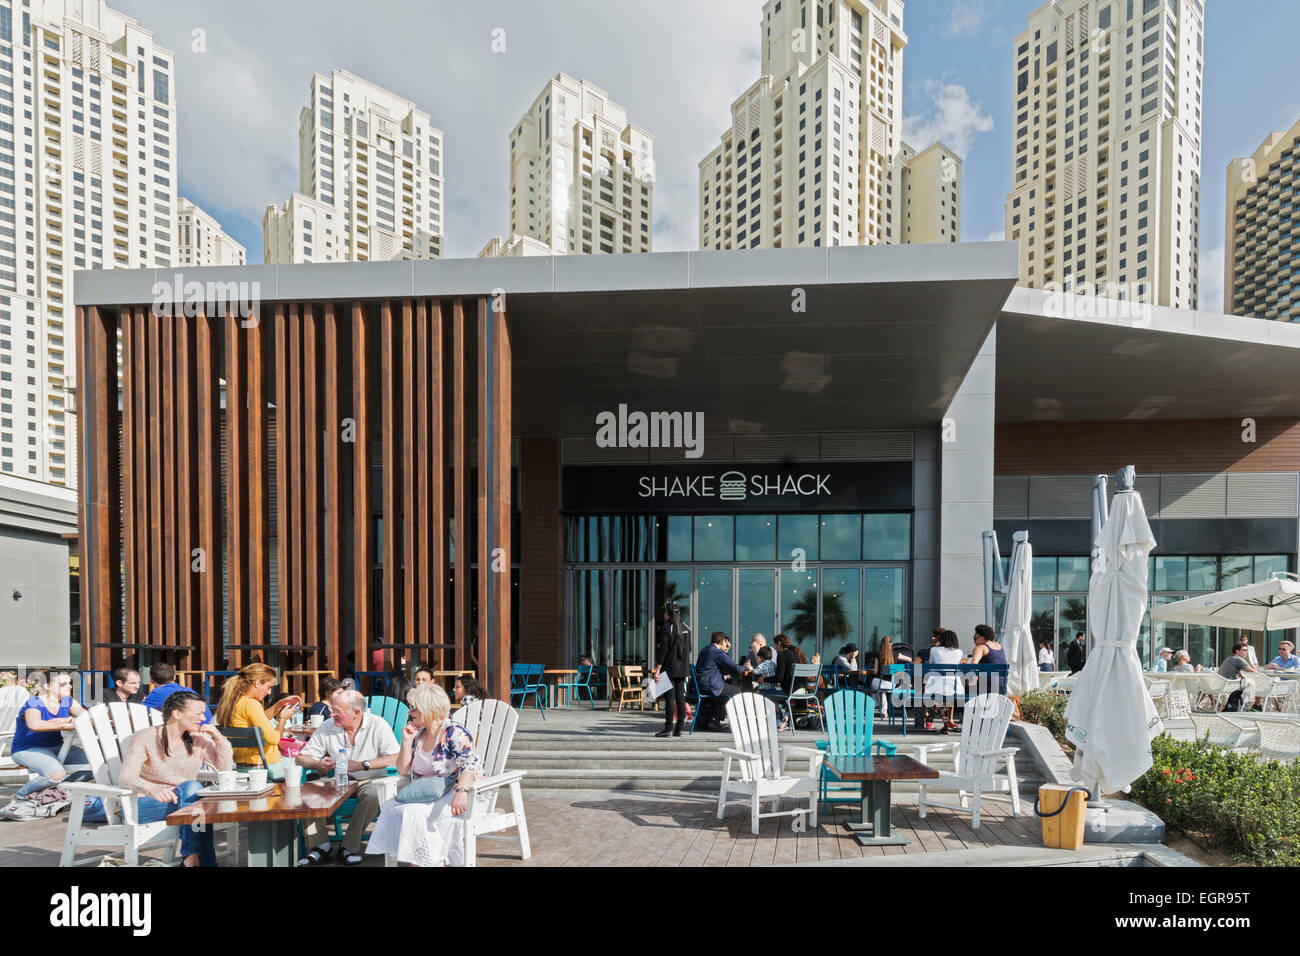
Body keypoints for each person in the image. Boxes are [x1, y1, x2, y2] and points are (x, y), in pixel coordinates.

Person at [86, 691, 231, 866]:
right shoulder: (145, 737)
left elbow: (224, 771)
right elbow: (126, 777)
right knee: (196, 798)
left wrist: (219, 739)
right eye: (198, 713)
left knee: (196, 803)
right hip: (142, 804)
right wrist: (152, 789)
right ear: (177, 714)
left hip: (186, 804)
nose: (204, 717)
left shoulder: (198, 739)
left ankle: (192, 859)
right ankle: (193, 860)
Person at [365, 682, 484, 867]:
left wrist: (462, 791)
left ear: (428, 708)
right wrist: (406, 741)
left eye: (414, 708)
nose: (410, 713)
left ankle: (423, 863)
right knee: (391, 809)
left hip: (457, 792)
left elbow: (470, 765)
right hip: (426, 794)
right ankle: (425, 862)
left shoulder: (453, 731)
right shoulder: (420, 735)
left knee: (413, 813)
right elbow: (403, 770)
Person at [295, 688, 401, 865]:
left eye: (337, 711)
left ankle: (349, 847)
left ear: (357, 713)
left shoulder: (378, 725)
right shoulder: (328, 726)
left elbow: (395, 756)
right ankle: (321, 847)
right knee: (307, 793)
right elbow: (301, 758)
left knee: (374, 794)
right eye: (332, 709)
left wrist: (363, 764)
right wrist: (317, 763)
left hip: (371, 778)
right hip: (338, 779)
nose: (331, 714)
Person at [4, 671, 91, 807]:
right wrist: (66, 724)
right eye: (63, 684)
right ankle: (20, 795)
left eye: (69, 683)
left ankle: (59, 791)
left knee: (94, 766)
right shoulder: (35, 702)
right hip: (28, 749)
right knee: (56, 774)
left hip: (57, 747)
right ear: (48, 686)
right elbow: (35, 725)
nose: (69, 686)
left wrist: (70, 719)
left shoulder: (68, 702)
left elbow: (89, 719)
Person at [214, 663, 300, 779]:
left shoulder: (233, 703)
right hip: (264, 767)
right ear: (257, 683)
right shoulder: (252, 704)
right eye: (269, 687)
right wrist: (282, 719)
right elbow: (274, 739)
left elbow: (259, 720)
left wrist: (279, 705)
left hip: (242, 766)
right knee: (309, 763)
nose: (269, 692)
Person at [652, 601, 692, 737]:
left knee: (669, 699)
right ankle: (679, 728)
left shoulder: (666, 628)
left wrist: (657, 670)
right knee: (681, 697)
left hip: (669, 668)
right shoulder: (686, 627)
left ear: (668, 614)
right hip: (683, 668)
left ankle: (668, 728)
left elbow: (662, 652)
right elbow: (689, 649)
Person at [695, 631, 746, 731]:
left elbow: (724, 663)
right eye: (726, 642)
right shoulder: (717, 652)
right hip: (711, 685)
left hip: (701, 685)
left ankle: (713, 720)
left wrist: (725, 650)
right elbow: (735, 668)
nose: (727, 645)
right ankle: (718, 720)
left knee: (725, 693)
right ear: (723, 641)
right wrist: (746, 668)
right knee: (737, 691)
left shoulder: (705, 649)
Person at [141, 663, 212, 723]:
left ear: (151, 680)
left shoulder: (157, 693)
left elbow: (137, 713)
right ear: (174, 677)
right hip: (207, 729)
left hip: (189, 734)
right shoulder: (189, 691)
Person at [923, 630, 963, 732]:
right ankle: (943, 725)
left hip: (937, 685)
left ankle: (932, 718)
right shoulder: (959, 652)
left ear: (941, 639)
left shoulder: (934, 650)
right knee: (944, 698)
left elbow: (931, 664)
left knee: (941, 698)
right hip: (954, 686)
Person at [969, 624, 1007, 695]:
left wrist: (972, 681)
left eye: (975, 636)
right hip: (1002, 687)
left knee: (962, 687)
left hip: (987, 687)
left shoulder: (980, 648)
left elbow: (974, 666)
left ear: (982, 636)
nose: (974, 638)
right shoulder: (999, 645)